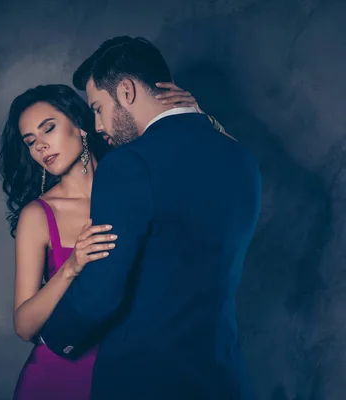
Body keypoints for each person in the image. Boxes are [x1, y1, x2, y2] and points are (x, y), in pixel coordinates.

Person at [35, 36, 261, 399]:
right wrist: (206, 120)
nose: (97, 126)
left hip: (144, 380)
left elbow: (102, 290)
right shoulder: (242, 160)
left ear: (126, 91)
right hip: (224, 377)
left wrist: (53, 336)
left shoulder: (129, 165)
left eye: (97, 107)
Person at [0, 79, 232, 399]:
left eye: (48, 129)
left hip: (137, 374)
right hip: (59, 378)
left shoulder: (136, 183)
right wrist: (71, 267)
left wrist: (198, 116)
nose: (41, 147)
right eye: (31, 141)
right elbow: (24, 325)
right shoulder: (38, 215)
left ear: (80, 124)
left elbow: (223, 172)